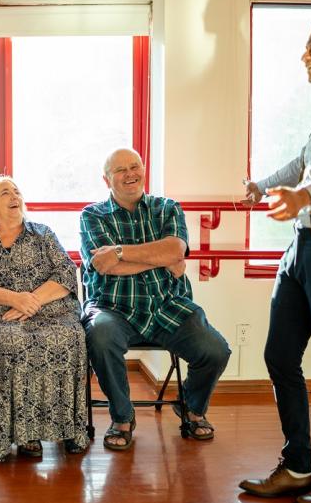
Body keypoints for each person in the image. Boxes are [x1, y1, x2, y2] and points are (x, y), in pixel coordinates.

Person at [239, 15, 311, 503]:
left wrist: (305, 195)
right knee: (280, 356)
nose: (305, 56)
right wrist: (263, 186)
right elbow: (306, 159)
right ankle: (298, 467)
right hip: (301, 247)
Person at [80, 148, 231, 451]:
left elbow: (175, 249)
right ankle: (122, 418)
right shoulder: (92, 215)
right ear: (106, 179)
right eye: (120, 170)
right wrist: (161, 258)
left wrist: (120, 252)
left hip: (168, 306)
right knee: (99, 335)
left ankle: (191, 406)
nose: (129, 174)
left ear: (144, 169)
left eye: (134, 166)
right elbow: (103, 265)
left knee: (216, 351)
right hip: (113, 306)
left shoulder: (167, 208)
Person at [0, 177, 89, 462]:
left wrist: (33, 301)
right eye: (5, 192)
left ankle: (68, 430)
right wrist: (14, 299)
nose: (14, 195)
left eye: (17, 191)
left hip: (52, 313)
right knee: (12, 339)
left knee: (70, 336)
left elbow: (66, 274)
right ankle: (23, 434)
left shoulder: (43, 233)